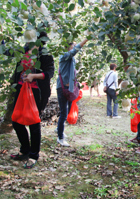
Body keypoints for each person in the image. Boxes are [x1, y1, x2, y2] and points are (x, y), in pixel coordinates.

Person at [8, 31, 55, 169]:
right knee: (16, 120)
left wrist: (33, 76)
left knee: (33, 123)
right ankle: (25, 150)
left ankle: (33, 155)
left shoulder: (44, 53)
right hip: (21, 89)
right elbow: (10, 52)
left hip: (36, 92)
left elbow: (49, 73)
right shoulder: (25, 49)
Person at [56, 39, 88, 147]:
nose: (74, 47)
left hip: (68, 89)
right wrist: (86, 39)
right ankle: (60, 137)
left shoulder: (71, 59)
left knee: (67, 110)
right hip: (62, 88)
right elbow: (74, 51)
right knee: (64, 113)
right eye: (73, 45)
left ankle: (59, 129)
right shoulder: (64, 56)